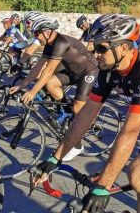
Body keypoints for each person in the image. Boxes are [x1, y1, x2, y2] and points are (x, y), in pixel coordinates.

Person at [32, 14, 140, 213]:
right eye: (94, 47)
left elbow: (129, 132)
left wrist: (103, 187)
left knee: (138, 175)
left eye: (101, 48)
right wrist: (55, 158)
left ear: (123, 47)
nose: (95, 54)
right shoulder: (108, 69)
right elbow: (86, 115)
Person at [9, 16, 99, 161]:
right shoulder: (50, 44)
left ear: (47, 31)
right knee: (50, 83)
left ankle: (77, 145)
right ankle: (68, 113)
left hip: (89, 71)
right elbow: (39, 66)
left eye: (37, 33)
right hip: (73, 71)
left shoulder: (61, 43)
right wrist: (23, 84)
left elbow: (49, 69)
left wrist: (33, 92)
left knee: (78, 108)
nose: (35, 37)